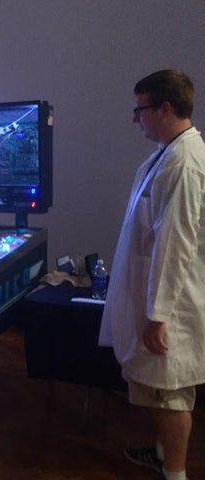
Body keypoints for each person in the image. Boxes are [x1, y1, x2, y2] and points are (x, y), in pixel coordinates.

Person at [99, 69, 205, 480]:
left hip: (172, 308)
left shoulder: (184, 162)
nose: (136, 119)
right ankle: (164, 454)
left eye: (140, 110)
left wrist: (159, 315)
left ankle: (175, 473)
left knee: (172, 392)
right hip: (156, 298)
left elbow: (176, 242)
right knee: (160, 392)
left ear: (164, 108)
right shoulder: (169, 153)